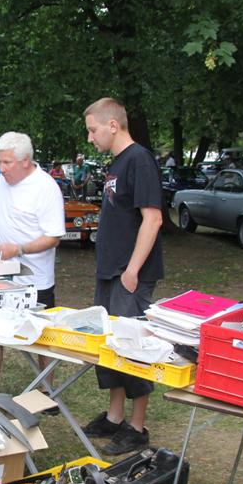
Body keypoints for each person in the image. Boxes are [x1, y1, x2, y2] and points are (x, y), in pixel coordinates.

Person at [83, 97, 164, 455]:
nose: (90, 138)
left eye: (93, 130)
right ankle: (115, 417)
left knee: (132, 347)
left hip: (128, 274)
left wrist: (132, 270)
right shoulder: (117, 164)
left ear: (112, 125)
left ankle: (136, 426)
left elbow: (153, 219)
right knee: (111, 345)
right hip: (109, 271)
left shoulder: (140, 160)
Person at [0, 132, 66, 389]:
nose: (1, 169)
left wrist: (17, 249)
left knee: (41, 335)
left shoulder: (46, 188)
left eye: (7, 163)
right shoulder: (6, 179)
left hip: (35, 279)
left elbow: (53, 237)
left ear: (26, 160)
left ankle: (46, 390)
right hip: (0, 272)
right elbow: (4, 203)